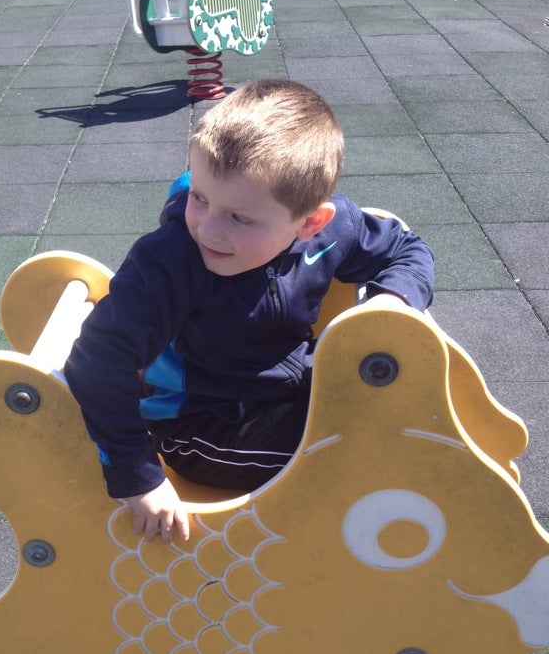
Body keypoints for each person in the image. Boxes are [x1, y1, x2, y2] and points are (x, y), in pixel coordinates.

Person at [63, 79, 434, 546]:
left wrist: (392, 301)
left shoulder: (334, 228)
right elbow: (97, 359)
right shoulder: (172, 261)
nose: (210, 231)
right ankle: (335, 552)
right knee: (355, 452)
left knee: (403, 409)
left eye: (240, 218)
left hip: (292, 387)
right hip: (201, 425)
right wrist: (138, 474)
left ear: (308, 223)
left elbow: (407, 249)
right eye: (200, 197)